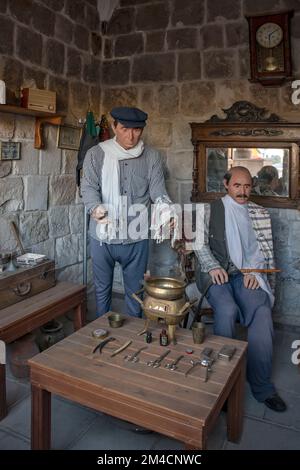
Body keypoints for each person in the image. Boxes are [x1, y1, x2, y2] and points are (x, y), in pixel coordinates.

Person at [195, 166, 286, 412]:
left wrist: (255, 272)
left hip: (248, 274)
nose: (243, 191)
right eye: (237, 185)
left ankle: (262, 386)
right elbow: (199, 243)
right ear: (226, 184)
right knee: (226, 310)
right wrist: (212, 266)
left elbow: (263, 253)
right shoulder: (209, 209)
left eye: (247, 186)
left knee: (261, 311)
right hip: (217, 273)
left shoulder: (260, 213)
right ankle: (221, 383)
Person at [81, 106, 173, 318]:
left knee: (135, 293)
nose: (130, 136)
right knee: (102, 291)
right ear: (114, 127)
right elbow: (88, 187)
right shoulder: (96, 154)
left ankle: (132, 339)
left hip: (136, 237)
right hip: (102, 237)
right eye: (124, 129)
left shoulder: (152, 157)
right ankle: (101, 329)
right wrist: (95, 207)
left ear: (142, 130)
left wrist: (167, 210)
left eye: (136, 130)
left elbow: (158, 192)